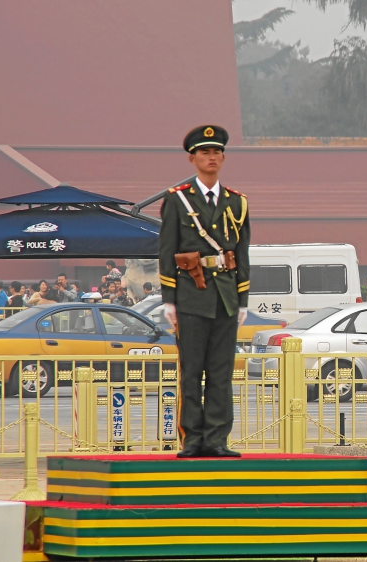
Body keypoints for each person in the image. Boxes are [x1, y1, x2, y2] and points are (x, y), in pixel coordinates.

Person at [160, 124, 250, 459]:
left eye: (216, 152)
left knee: (221, 372)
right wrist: (169, 299)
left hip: (225, 296)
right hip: (191, 296)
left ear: (223, 158)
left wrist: (242, 300)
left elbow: (242, 254)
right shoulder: (178, 199)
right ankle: (193, 439)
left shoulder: (237, 203)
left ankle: (217, 439)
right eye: (204, 153)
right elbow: (167, 249)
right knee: (192, 371)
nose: (211, 158)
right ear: (192, 158)